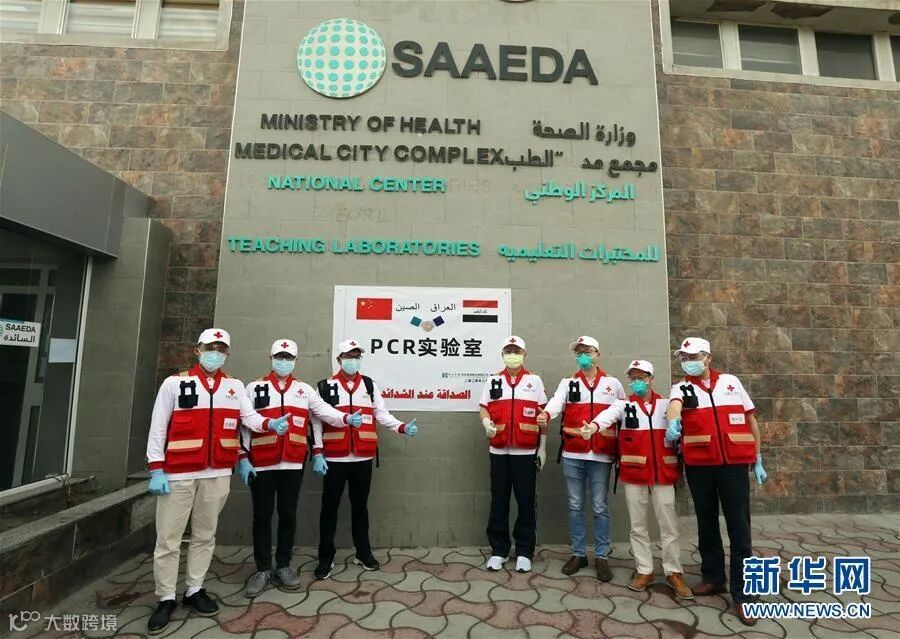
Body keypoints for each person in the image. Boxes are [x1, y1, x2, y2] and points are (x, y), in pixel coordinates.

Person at [144, 329, 290, 635]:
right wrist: (156, 468)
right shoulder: (175, 383)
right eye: (210, 347)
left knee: (205, 535)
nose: (216, 353)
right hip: (178, 474)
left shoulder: (234, 387)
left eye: (221, 349)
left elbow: (248, 419)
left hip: (218, 473)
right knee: (168, 539)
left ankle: (194, 589)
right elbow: (158, 427)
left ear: (227, 354)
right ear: (197, 350)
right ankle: (166, 597)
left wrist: (269, 424)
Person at [239, 338, 360, 597]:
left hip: (293, 463)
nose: (284, 362)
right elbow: (244, 424)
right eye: (279, 357)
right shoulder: (254, 387)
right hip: (262, 463)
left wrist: (345, 418)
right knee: (262, 516)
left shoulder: (304, 390)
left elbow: (323, 412)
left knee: (288, 514)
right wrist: (243, 457)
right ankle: (262, 569)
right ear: (270, 358)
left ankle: (283, 565)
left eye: (288, 358)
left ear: (295, 361)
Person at [665, 337, 768, 626]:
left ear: (707, 358)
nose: (687, 362)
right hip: (700, 466)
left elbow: (750, 420)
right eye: (684, 358)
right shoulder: (681, 387)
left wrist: (758, 457)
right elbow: (674, 406)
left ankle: (744, 593)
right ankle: (713, 577)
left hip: (734, 466)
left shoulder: (731, 383)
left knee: (739, 527)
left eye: (692, 356)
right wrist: (673, 421)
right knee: (706, 523)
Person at [310, 338, 418, 580]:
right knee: (329, 508)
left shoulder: (369, 385)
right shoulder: (325, 387)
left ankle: (363, 552)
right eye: (348, 356)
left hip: (362, 458)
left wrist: (401, 427)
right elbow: (315, 421)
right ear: (339, 359)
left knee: (360, 508)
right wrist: (317, 451)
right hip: (334, 459)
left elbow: (382, 414)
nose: (353, 360)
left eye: (357, 356)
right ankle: (326, 557)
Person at [589, 359, 692, 599]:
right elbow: (606, 417)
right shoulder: (623, 405)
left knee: (669, 525)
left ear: (651, 379)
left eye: (641, 377)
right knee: (638, 526)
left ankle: (673, 572)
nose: (637, 382)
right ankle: (644, 570)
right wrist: (593, 427)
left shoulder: (667, 405)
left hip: (663, 474)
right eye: (633, 378)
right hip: (634, 474)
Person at [536, 335, 624, 581]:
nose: (583, 356)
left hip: (601, 455)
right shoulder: (569, 383)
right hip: (573, 453)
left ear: (598, 354)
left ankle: (602, 556)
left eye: (587, 351)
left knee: (599, 506)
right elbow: (556, 402)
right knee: (575, 505)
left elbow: (621, 411)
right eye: (579, 352)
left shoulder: (613, 384)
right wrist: (546, 414)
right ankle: (578, 553)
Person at [480, 335, 547, 574]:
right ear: (502, 355)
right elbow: (484, 408)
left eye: (516, 351)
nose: (512, 355)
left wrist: (543, 446)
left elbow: (543, 415)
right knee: (498, 501)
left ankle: (524, 552)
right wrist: (486, 422)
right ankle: (499, 550)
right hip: (498, 451)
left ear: (524, 354)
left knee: (526, 502)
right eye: (508, 351)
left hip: (526, 452)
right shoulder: (493, 380)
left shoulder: (534, 381)